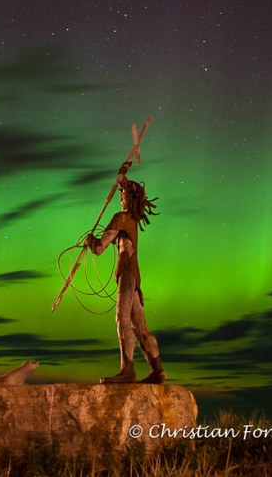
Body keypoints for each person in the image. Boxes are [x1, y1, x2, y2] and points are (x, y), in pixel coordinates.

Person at [85, 161, 165, 384]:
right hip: (134, 275)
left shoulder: (121, 218)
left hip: (127, 274)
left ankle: (127, 369)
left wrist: (90, 241)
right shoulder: (131, 221)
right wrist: (123, 172)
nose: (120, 197)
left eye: (122, 194)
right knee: (140, 328)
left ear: (128, 198)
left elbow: (99, 248)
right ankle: (158, 370)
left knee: (122, 319)